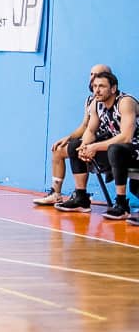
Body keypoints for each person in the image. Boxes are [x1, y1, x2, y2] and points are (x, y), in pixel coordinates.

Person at [55, 71, 139, 221]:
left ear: (113, 89)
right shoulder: (96, 103)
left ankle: (121, 205)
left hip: (134, 148)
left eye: (101, 86)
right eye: (94, 86)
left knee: (115, 149)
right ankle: (81, 198)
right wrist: (84, 148)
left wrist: (94, 147)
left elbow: (126, 137)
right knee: (75, 146)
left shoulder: (125, 102)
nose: (97, 90)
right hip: (118, 150)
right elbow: (91, 130)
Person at [34, 64, 112, 206]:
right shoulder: (90, 100)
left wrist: (84, 144)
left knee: (75, 147)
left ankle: (80, 194)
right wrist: (69, 137)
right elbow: (85, 126)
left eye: (98, 74)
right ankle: (55, 194)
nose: (93, 77)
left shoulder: (114, 99)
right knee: (58, 150)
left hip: (104, 142)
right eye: (91, 74)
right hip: (90, 139)